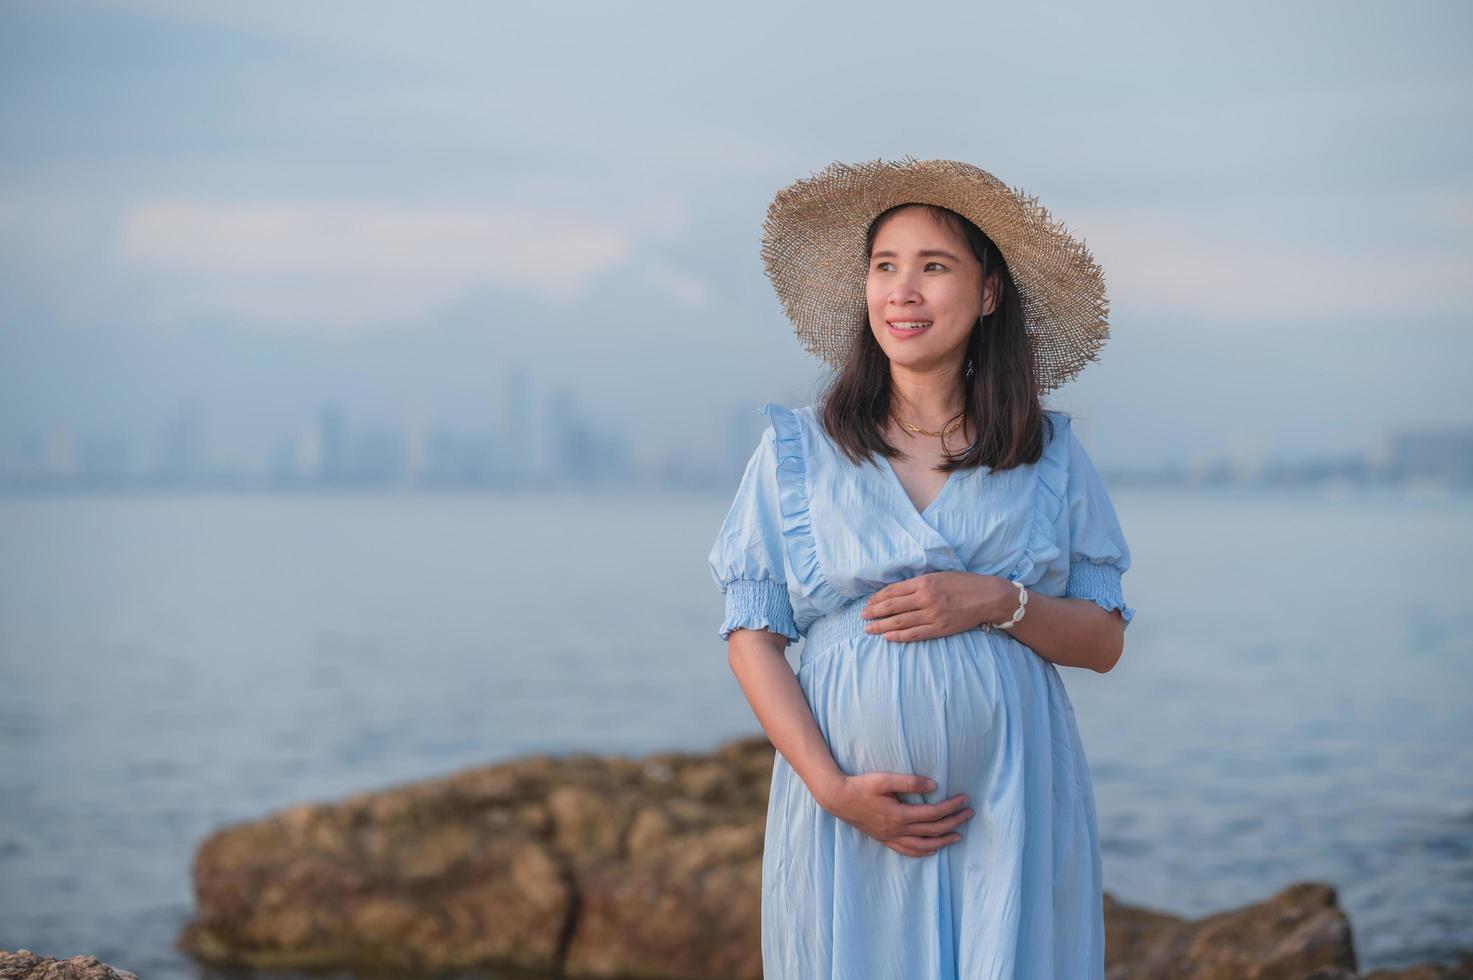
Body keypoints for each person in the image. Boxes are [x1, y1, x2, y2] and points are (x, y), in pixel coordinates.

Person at [706, 158, 1136, 979]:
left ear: (987, 293)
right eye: (884, 267)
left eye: (932, 267)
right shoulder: (797, 450)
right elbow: (750, 636)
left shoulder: (1048, 455)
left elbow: (1102, 640)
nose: (901, 291)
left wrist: (998, 601)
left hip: (1011, 805)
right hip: (848, 813)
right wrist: (832, 790)